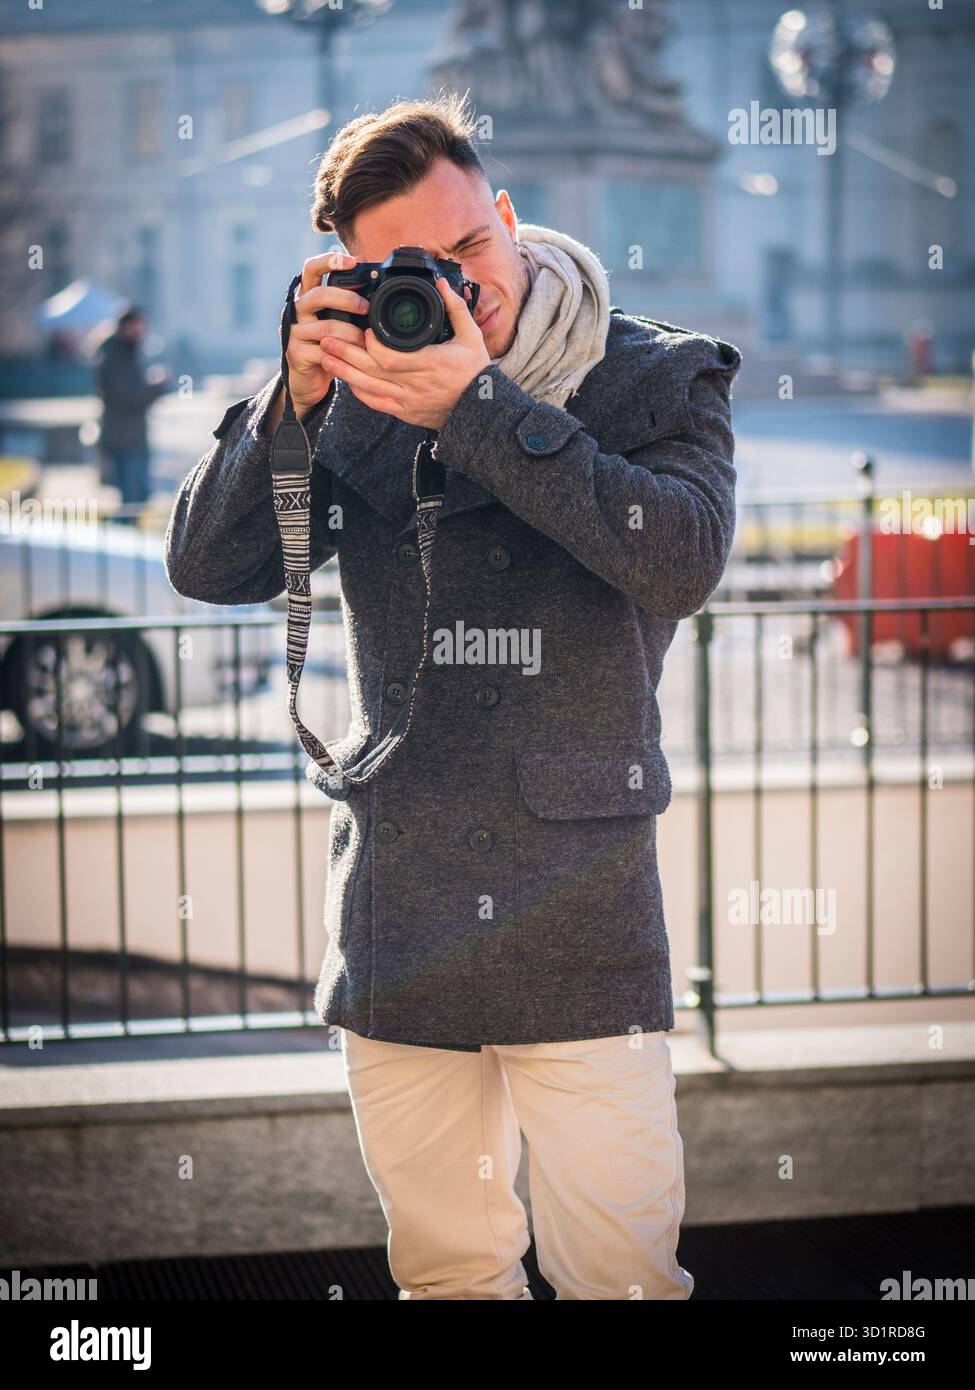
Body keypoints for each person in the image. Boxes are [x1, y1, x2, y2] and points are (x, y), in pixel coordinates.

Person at [164, 93, 742, 1300]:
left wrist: (480, 412)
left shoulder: (657, 374)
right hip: (404, 900)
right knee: (444, 1275)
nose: (454, 285)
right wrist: (292, 401)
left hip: (583, 915)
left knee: (621, 1277)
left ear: (511, 217)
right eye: (404, 269)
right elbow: (209, 567)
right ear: (351, 275)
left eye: (469, 247)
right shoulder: (359, 382)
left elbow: (680, 559)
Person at [95, 306, 169, 521]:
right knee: (133, 499)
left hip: (132, 436)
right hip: (124, 438)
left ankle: (121, 538)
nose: (142, 331)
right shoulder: (114, 355)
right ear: (127, 326)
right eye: (138, 326)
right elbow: (126, 397)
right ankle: (119, 541)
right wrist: (157, 386)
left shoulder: (127, 351)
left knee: (139, 496)